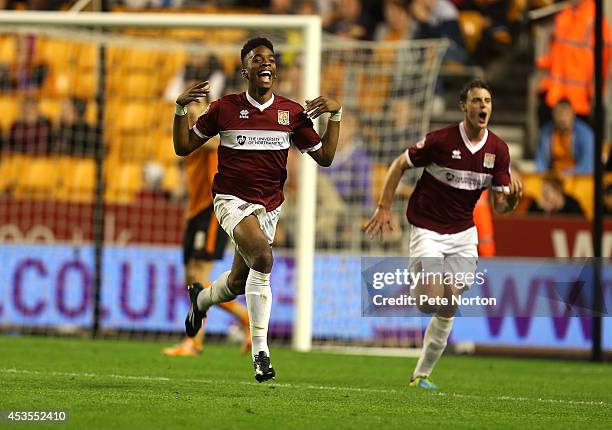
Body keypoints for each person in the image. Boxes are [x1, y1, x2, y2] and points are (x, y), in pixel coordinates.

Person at [172, 37, 341, 382]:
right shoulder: (224, 109)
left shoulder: (292, 113)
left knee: (237, 281)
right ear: (245, 69)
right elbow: (183, 146)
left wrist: (335, 115)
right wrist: (178, 109)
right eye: (257, 58)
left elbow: (325, 158)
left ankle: (201, 301)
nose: (266, 63)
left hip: (269, 207)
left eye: (271, 58)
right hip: (230, 201)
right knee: (263, 259)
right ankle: (261, 353)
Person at [365, 79, 522, 389]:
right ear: (463, 106)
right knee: (429, 302)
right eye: (477, 100)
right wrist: (384, 207)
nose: (483, 106)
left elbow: (502, 207)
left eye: (487, 101)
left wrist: (513, 202)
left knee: (449, 306)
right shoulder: (440, 141)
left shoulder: (498, 151)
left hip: (463, 233)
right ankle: (422, 283)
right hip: (428, 228)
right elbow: (399, 164)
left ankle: (421, 375)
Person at [162, 131, 251, 356]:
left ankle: (194, 341)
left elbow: (223, 145)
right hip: (194, 213)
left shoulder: (212, 134)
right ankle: (245, 317)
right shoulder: (189, 134)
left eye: (197, 104)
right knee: (190, 278)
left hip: (210, 212)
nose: (192, 109)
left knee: (199, 276)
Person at [535, 98, 594, 175]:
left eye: (566, 114)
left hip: (577, 179)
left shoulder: (586, 134)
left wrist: (567, 174)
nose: (562, 118)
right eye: (559, 113)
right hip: (552, 178)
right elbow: (540, 162)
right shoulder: (545, 133)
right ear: (553, 114)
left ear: (573, 114)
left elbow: (587, 166)